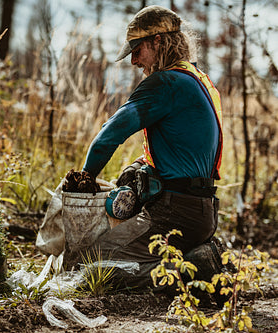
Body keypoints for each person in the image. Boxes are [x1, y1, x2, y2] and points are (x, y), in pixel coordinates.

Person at [80, 5, 227, 292]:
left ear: (158, 41)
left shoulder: (165, 82)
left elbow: (108, 136)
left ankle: (194, 269)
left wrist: (84, 178)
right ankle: (196, 254)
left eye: (137, 50)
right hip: (202, 212)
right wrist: (140, 168)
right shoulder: (196, 79)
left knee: (90, 265)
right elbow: (184, 151)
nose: (134, 60)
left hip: (174, 213)